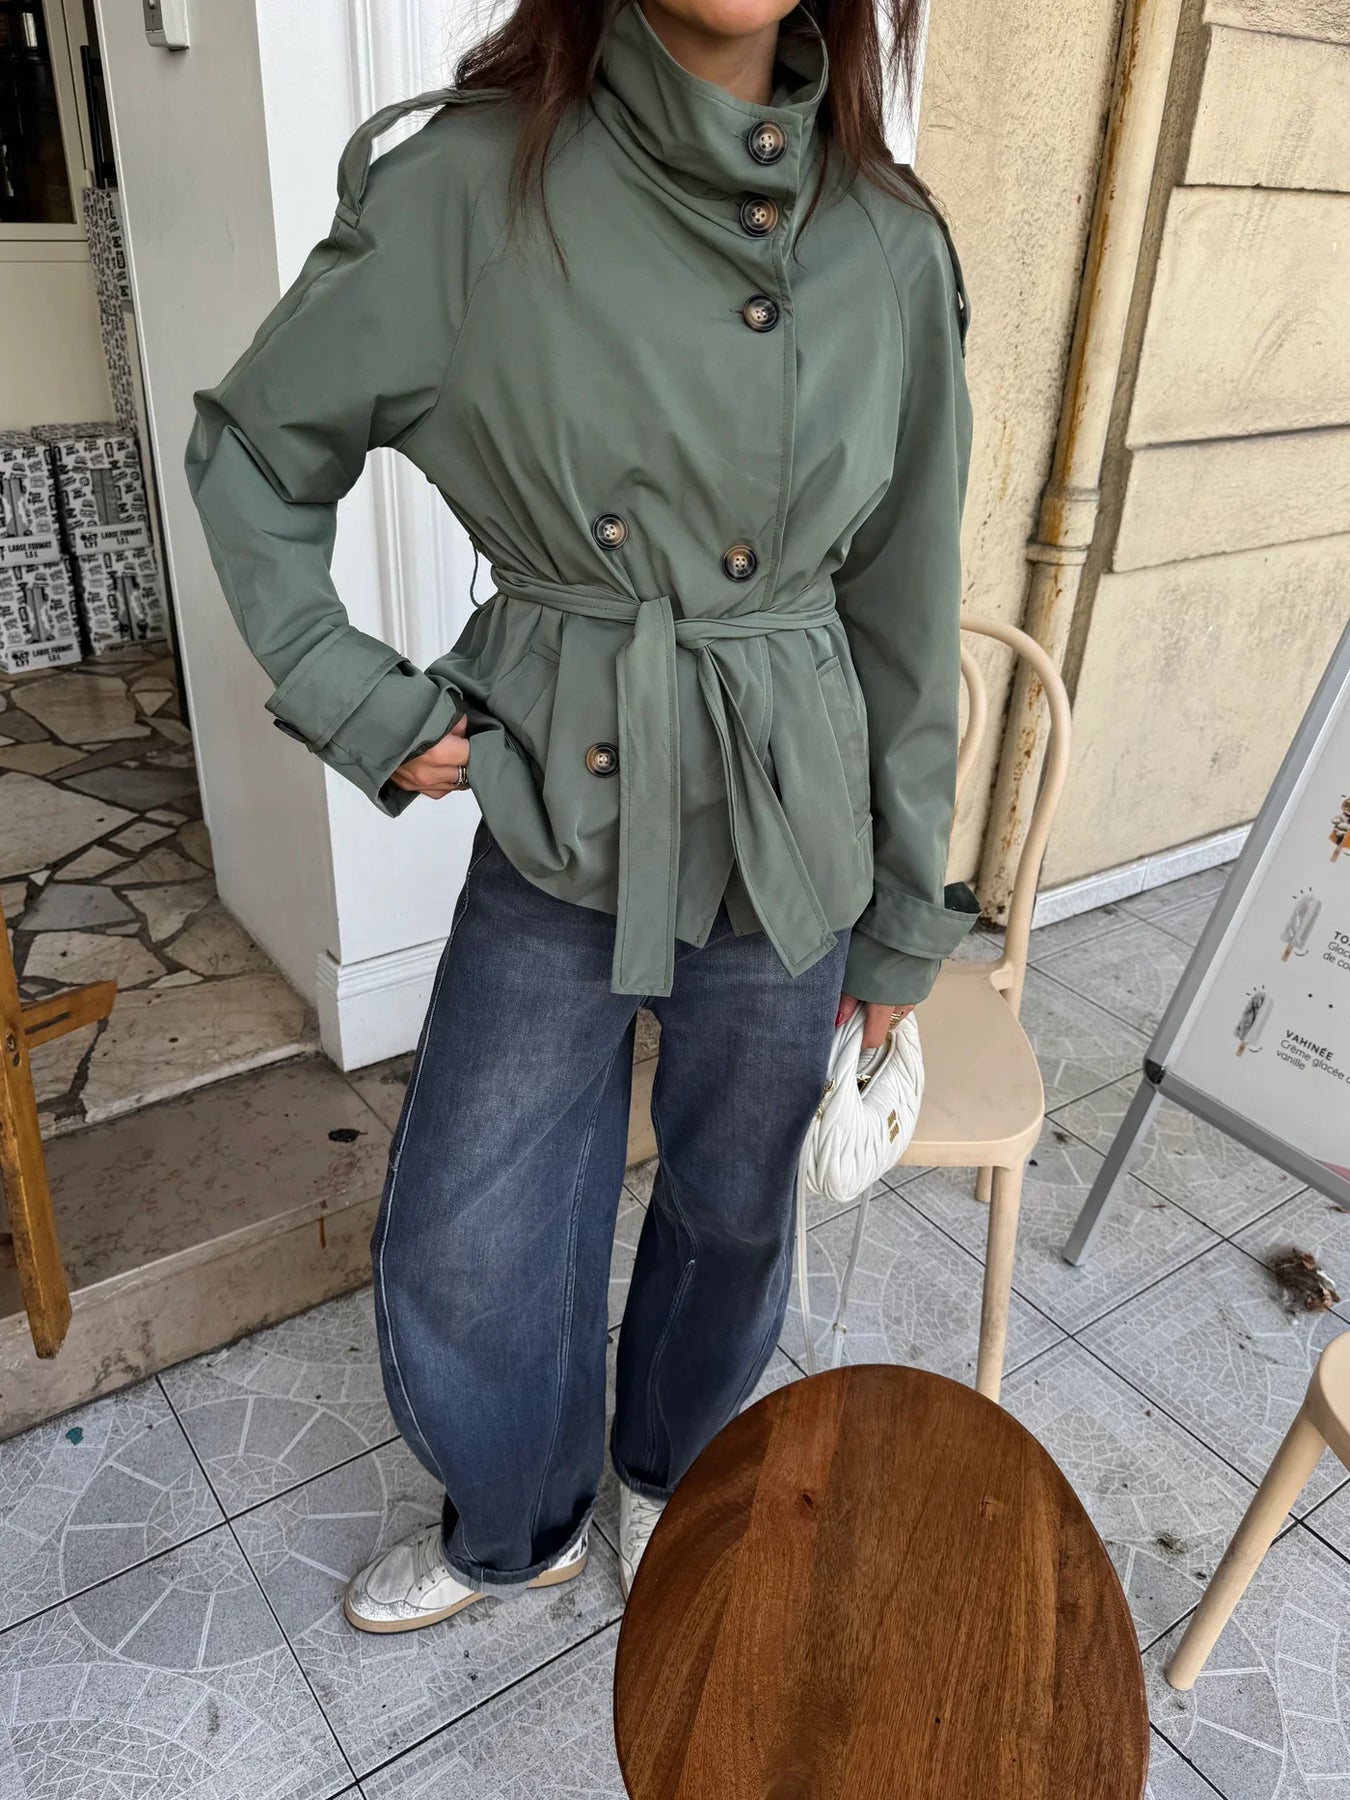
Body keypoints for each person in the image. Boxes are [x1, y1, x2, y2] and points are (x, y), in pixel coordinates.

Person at [186, 0, 976, 1632]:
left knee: (734, 1204)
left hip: (792, 818)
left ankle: (674, 1473)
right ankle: (519, 1519)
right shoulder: (471, 185)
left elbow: (903, 609)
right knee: (470, 1234)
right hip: (564, 799)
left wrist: (907, 913)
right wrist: (361, 700)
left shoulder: (888, 243)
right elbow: (256, 450)